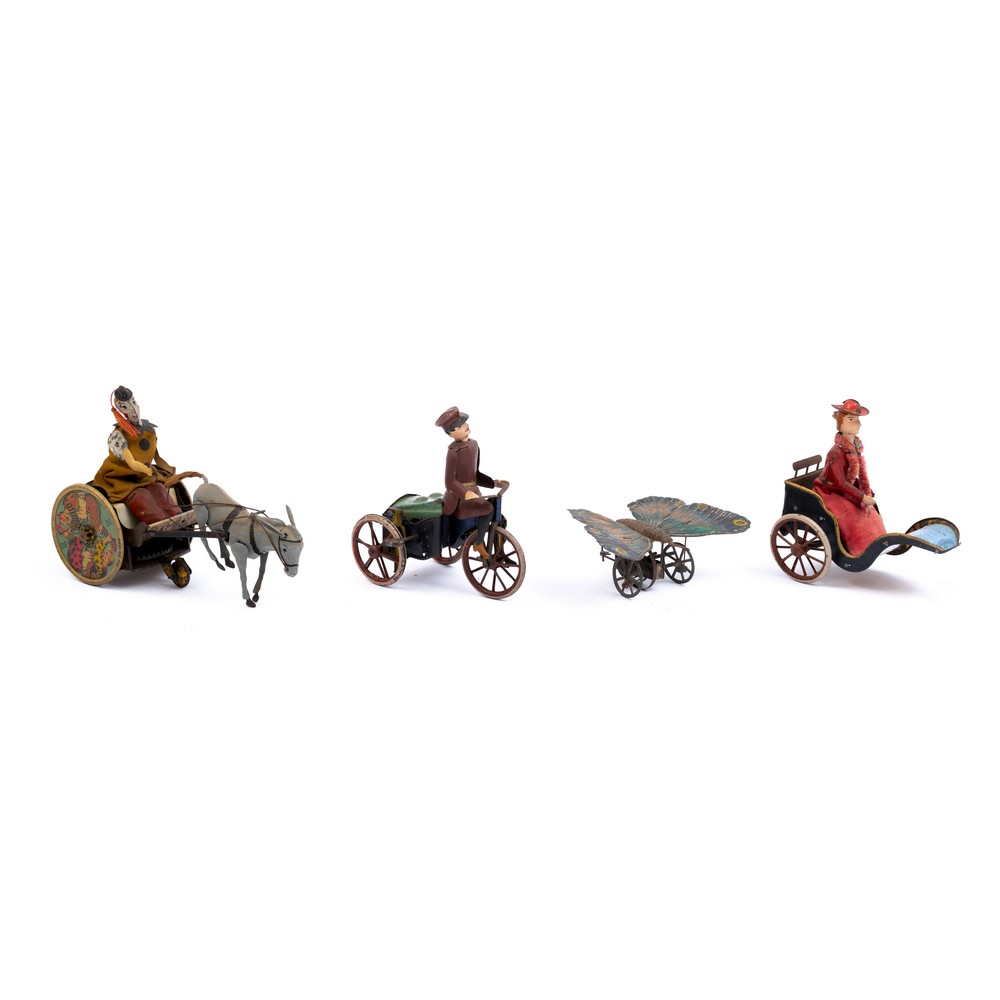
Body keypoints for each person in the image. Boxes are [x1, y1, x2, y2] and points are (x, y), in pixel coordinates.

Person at [92, 386, 184, 526]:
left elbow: (157, 457)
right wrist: (147, 470)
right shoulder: (117, 436)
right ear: (120, 411)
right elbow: (132, 463)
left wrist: (171, 470)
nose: (133, 409)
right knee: (141, 496)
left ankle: (178, 519)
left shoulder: (149, 430)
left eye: (133, 402)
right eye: (124, 407)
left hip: (141, 478)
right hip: (119, 480)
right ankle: (160, 525)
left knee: (159, 489)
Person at [813, 398, 887, 556]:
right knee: (851, 515)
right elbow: (840, 482)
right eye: (851, 420)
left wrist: (864, 491)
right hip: (829, 491)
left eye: (857, 420)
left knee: (869, 511)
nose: (858, 424)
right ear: (841, 424)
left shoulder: (854, 448)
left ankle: (877, 543)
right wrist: (861, 495)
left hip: (844, 488)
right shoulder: (835, 453)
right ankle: (858, 550)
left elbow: (855, 474)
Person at [435, 406, 503, 552]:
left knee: (499, 516)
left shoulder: (474, 445)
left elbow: (475, 474)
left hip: (473, 494)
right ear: (452, 433)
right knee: (488, 509)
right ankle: (478, 543)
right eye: (460, 426)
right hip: (458, 499)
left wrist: (493, 483)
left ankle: (496, 550)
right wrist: (465, 493)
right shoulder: (453, 452)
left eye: (464, 423)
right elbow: (449, 482)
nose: (466, 426)